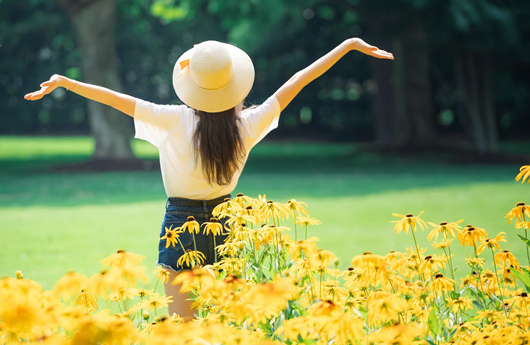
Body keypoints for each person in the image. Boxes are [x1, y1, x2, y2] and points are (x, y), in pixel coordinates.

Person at [24, 38, 393, 320]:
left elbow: (115, 99)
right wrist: (348, 46)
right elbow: (298, 81)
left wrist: (65, 82)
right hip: (228, 225)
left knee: (183, 331)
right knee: (225, 325)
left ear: (192, 86)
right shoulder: (247, 124)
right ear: (235, 84)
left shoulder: (171, 119)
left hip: (178, 225)